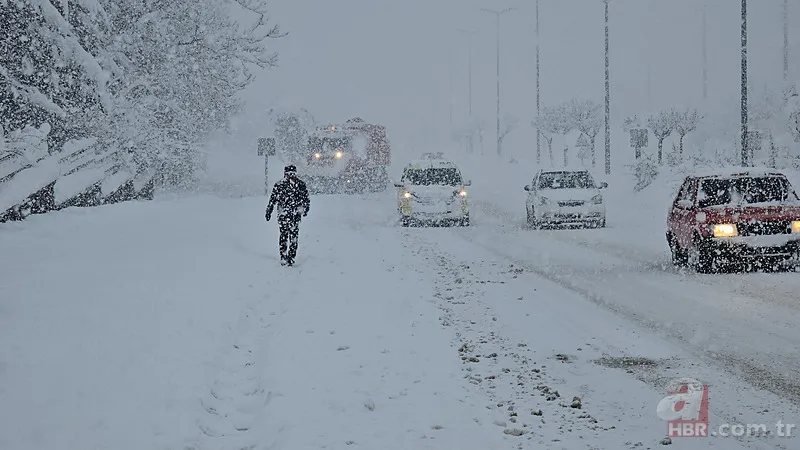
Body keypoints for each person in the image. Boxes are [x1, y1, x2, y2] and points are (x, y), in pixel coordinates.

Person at [265, 165, 310, 266]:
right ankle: (283, 256)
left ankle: (291, 257)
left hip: (295, 215)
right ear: (285, 174)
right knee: (284, 236)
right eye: (289, 174)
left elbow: (306, 199)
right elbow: (273, 200)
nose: (291, 176)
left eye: (293, 174)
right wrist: (269, 211)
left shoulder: (300, 185)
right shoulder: (279, 185)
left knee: (293, 237)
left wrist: (306, 209)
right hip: (284, 215)